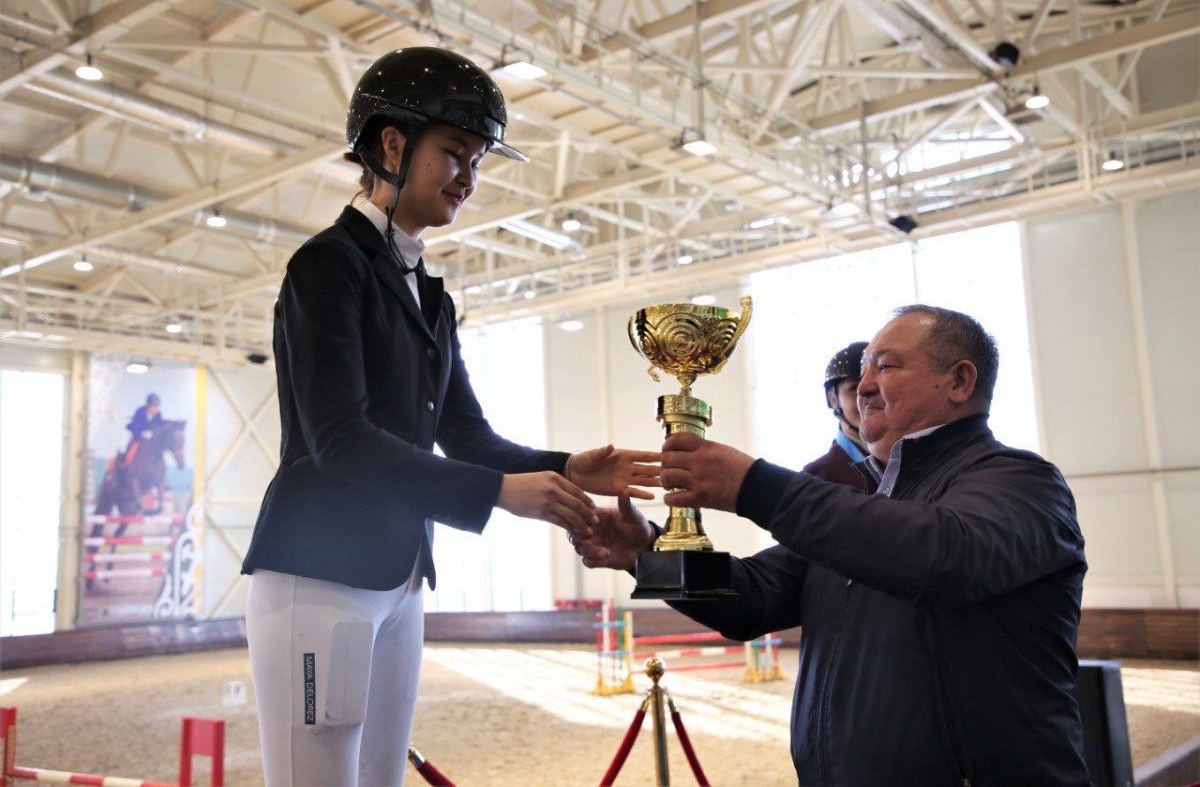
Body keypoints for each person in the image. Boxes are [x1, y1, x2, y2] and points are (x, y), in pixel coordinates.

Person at [242, 47, 660, 787]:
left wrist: (564, 469)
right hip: (320, 571)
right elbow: (338, 440)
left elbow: (466, 436)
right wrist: (496, 494)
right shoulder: (326, 266)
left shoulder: (431, 296)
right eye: (456, 154)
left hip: (401, 578)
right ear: (392, 144)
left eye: (477, 162)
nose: (468, 178)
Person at [575, 305, 1089, 786]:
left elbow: (942, 556)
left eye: (885, 367)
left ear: (959, 381)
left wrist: (755, 487)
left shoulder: (1024, 483)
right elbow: (749, 599)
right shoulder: (859, 505)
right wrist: (651, 554)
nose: (863, 387)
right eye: (863, 371)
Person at [804, 341, 868, 488]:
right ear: (833, 399)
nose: (868, 396)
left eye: (878, 384)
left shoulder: (912, 462)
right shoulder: (817, 477)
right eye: (855, 388)